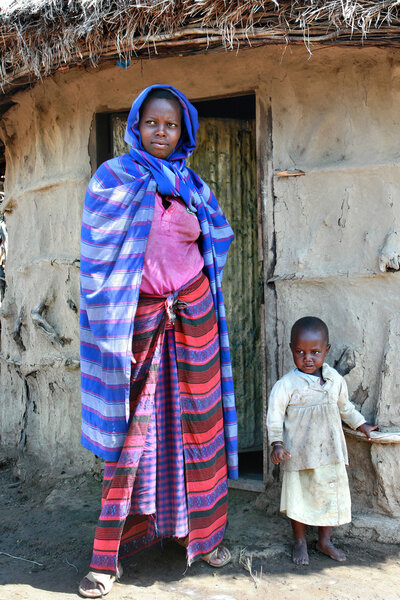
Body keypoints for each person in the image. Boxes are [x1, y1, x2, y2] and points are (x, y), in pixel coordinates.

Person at [78, 85, 238, 598]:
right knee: (133, 436)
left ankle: (205, 537)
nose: (161, 133)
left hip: (195, 320)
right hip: (138, 323)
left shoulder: (194, 187)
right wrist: (114, 323)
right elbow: (99, 256)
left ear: (184, 130)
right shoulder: (114, 181)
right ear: (136, 126)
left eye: (171, 125)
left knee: (199, 425)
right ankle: (108, 557)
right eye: (152, 123)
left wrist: (188, 286)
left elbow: (219, 237)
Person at [267, 316, 379, 566]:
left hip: (329, 452)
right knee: (299, 498)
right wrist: (276, 444)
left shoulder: (334, 380)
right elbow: (274, 418)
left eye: (315, 352)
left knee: (329, 496)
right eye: (300, 352)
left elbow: (345, 407)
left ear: (326, 350)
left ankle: (325, 541)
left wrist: (361, 424)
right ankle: (300, 541)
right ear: (291, 350)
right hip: (299, 454)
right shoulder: (286, 385)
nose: (308, 358)